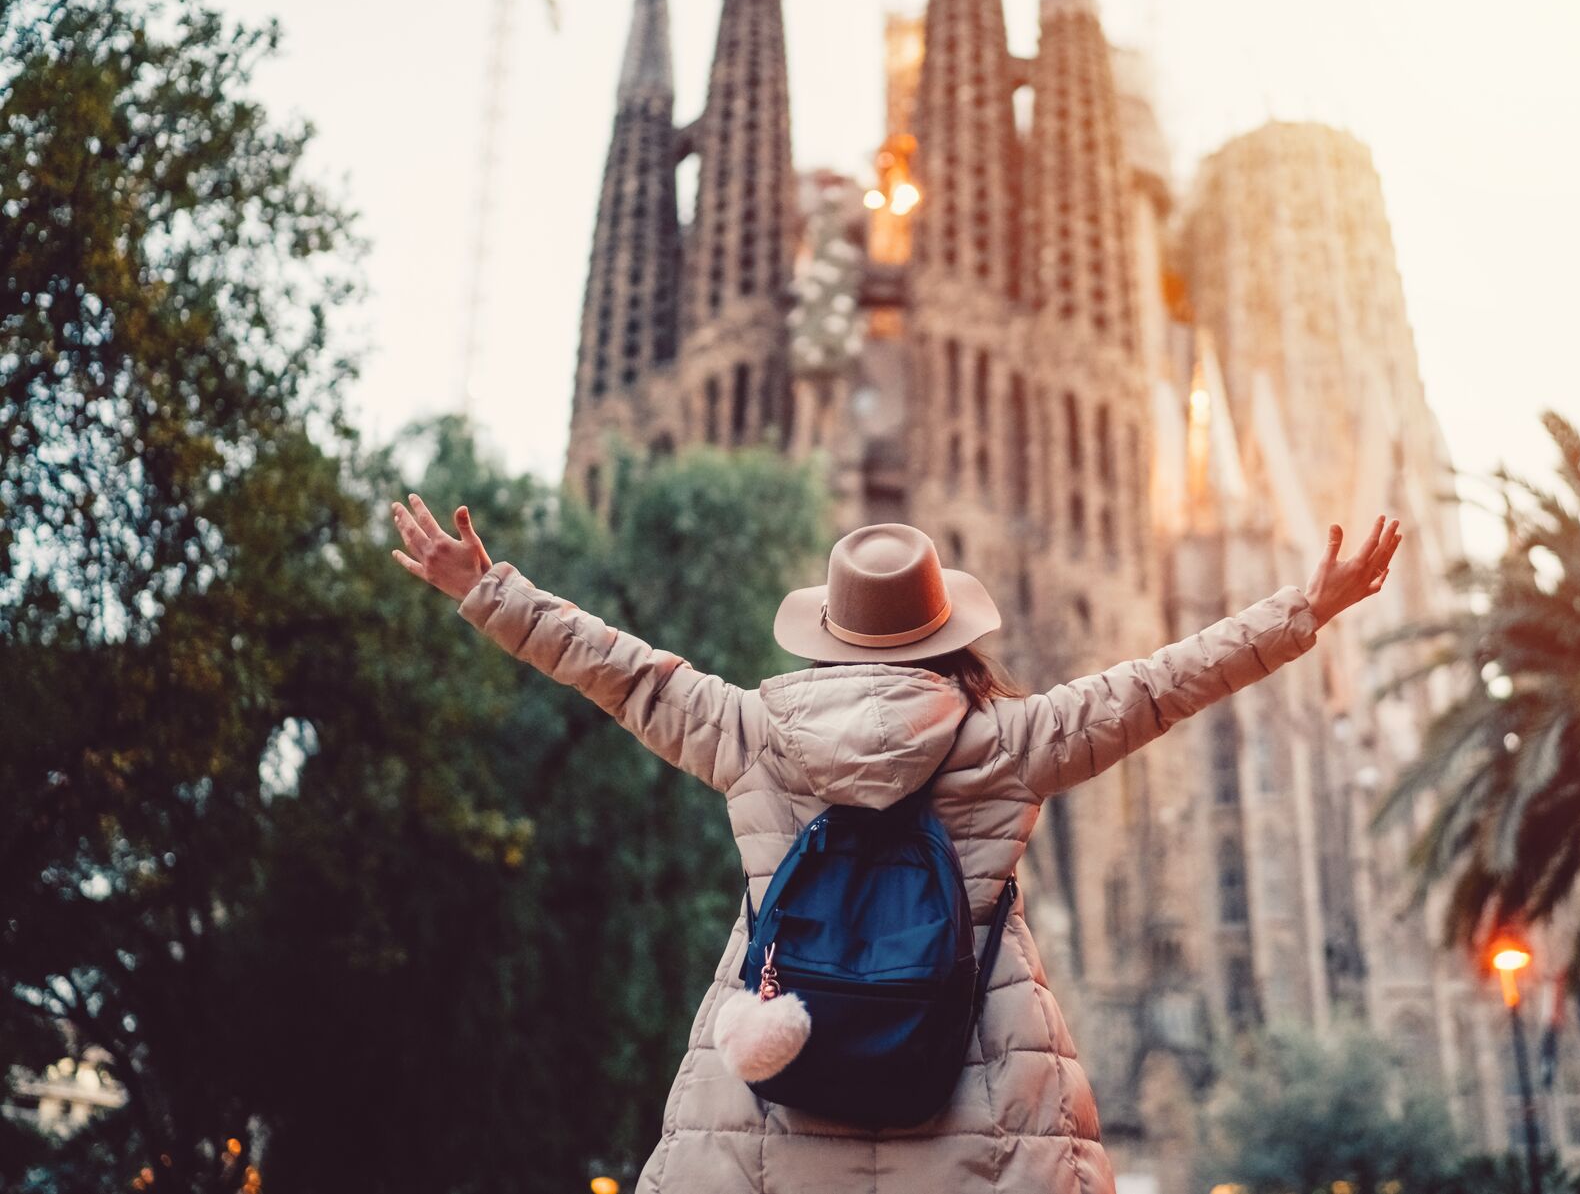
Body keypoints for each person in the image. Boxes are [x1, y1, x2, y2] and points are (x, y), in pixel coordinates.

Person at [390, 495, 1400, 1194]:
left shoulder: (750, 734)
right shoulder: (1008, 744)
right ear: (949, 637)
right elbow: (1161, 684)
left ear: (826, 635)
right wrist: (1306, 607)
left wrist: (486, 590)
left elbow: (624, 673)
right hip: (975, 1098)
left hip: (771, 1105)